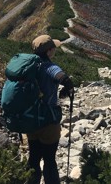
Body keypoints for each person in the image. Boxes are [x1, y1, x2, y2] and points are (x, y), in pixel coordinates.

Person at [26, 34, 74, 184]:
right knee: (49, 161)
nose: (55, 50)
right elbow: (65, 80)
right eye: (53, 48)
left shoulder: (29, 66)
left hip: (31, 119)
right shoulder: (50, 66)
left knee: (33, 158)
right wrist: (66, 90)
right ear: (48, 52)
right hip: (48, 122)